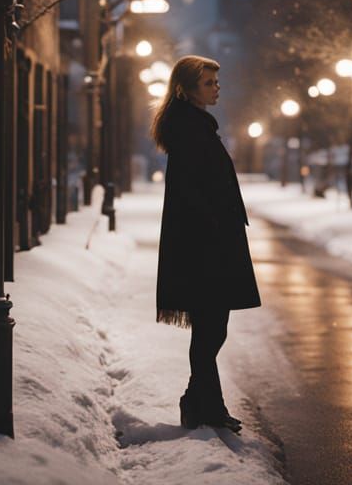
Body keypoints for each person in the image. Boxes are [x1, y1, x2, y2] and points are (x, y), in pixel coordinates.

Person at [151, 55, 261, 433]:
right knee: (211, 328)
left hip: (209, 242)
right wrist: (214, 226)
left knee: (211, 328)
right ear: (187, 89)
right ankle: (205, 406)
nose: (217, 88)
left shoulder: (195, 125)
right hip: (204, 246)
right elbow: (192, 191)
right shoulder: (189, 129)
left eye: (216, 82)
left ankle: (197, 402)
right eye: (209, 83)